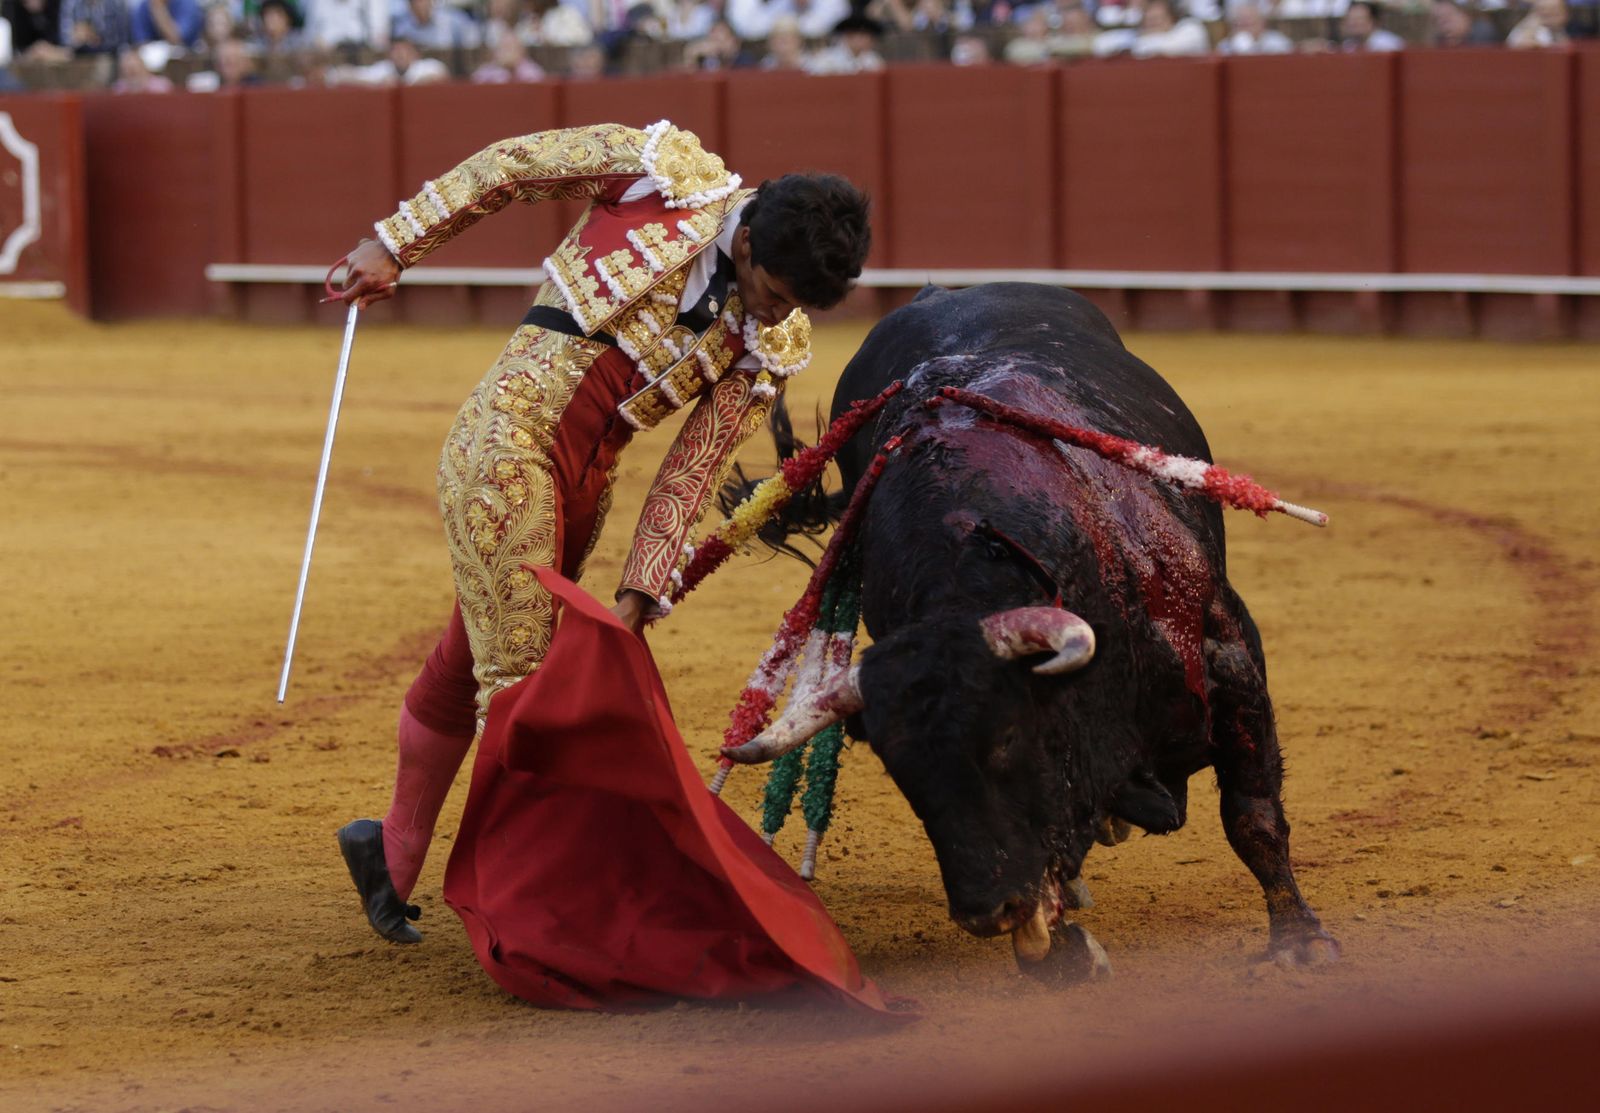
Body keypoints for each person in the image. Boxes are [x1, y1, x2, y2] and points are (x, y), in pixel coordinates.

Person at [333, 122, 871, 953]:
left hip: (587, 483)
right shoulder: (664, 175)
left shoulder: (770, 339)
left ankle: (389, 856)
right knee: (521, 682)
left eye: (794, 304)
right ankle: (523, 913)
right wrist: (394, 244)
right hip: (506, 441)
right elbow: (506, 168)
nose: (774, 311)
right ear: (752, 234)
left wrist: (637, 592)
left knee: (471, 653)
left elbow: (691, 469)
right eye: (773, 290)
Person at [1218, 0, 1291, 51]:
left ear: (1262, 25)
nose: (1245, 30)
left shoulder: (1277, 43)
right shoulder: (1226, 47)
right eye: (1240, 25)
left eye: (1248, 25)